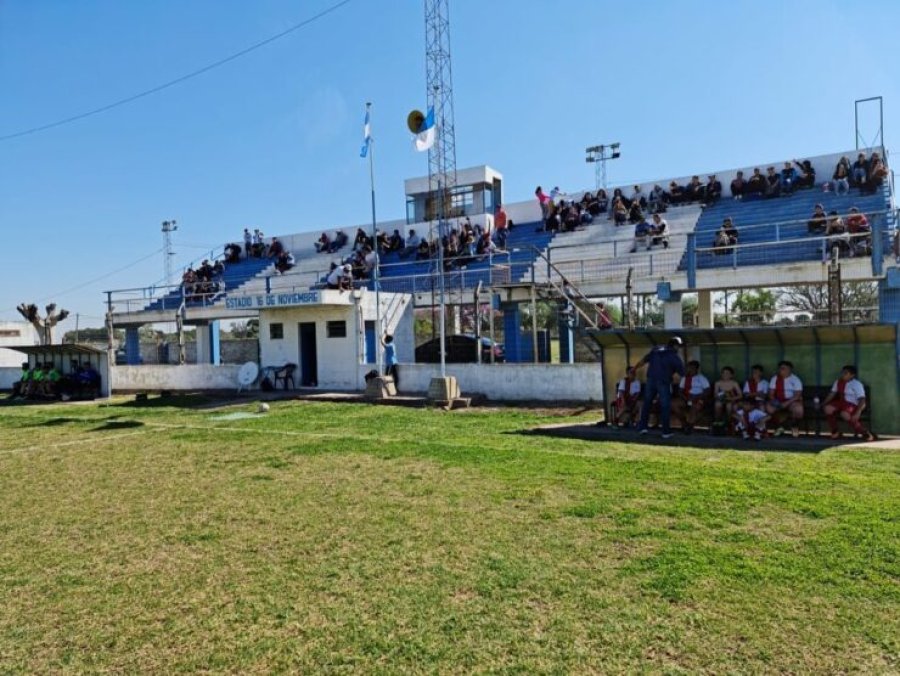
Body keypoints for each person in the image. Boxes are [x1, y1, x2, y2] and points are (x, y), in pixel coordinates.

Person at [636, 336, 686, 439]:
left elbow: (643, 361)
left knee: (647, 403)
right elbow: (682, 373)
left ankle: (643, 428)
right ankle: (665, 432)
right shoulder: (674, 356)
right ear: (675, 346)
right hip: (663, 382)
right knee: (665, 406)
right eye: (679, 346)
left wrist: (634, 369)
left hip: (650, 380)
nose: (679, 349)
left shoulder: (656, 350)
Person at [822, 365, 875, 441]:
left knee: (845, 414)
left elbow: (862, 399)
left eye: (845, 373)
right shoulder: (838, 382)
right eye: (842, 373)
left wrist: (858, 412)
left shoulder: (857, 384)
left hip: (852, 404)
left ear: (852, 375)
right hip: (841, 402)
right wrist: (824, 403)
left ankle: (864, 432)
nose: (843, 375)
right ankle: (835, 431)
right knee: (827, 408)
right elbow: (832, 393)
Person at [671, 360, 711, 434]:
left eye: (692, 368)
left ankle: (690, 427)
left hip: (698, 398)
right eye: (688, 368)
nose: (690, 370)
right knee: (674, 404)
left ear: (697, 369)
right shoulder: (685, 378)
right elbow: (680, 391)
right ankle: (684, 423)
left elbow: (707, 391)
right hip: (686, 398)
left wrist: (697, 396)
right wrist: (685, 397)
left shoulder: (702, 378)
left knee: (695, 407)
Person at [766, 361, 804, 437]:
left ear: (789, 369)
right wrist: (775, 402)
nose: (781, 370)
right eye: (780, 368)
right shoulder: (775, 379)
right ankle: (779, 427)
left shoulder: (795, 379)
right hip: (778, 400)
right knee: (769, 408)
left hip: (792, 401)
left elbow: (797, 395)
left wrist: (787, 403)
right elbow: (771, 394)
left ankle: (794, 426)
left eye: (783, 368)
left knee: (798, 410)